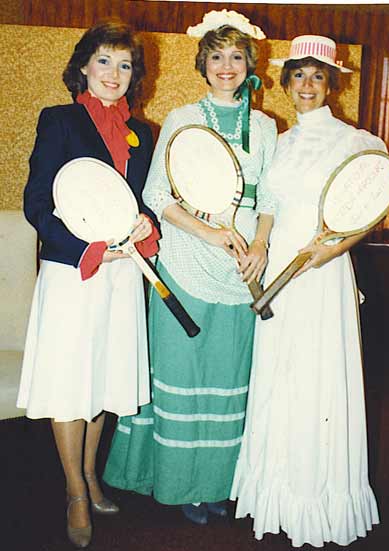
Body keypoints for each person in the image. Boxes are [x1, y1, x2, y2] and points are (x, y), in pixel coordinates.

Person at [103, 9, 277, 525]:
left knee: (229, 375)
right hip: (186, 260)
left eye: (237, 57)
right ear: (204, 63)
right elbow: (158, 195)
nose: (227, 66)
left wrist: (260, 247)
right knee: (183, 373)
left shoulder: (267, 126)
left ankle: (218, 485)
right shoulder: (181, 119)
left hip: (241, 269)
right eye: (217, 56)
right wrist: (211, 233)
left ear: (250, 64)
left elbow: (270, 198)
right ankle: (180, 486)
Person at [231, 34, 384, 547]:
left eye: (318, 76)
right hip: (281, 277)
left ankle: (317, 503)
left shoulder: (354, 141)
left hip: (322, 273)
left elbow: (372, 205)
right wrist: (257, 250)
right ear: (286, 81)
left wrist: (336, 249)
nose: (307, 85)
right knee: (282, 377)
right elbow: (268, 208)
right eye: (298, 74)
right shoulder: (281, 141)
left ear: (331, 84)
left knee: (319, 378)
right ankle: (275, 495)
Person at [16, 20, 159, 548]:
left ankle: (92, 473)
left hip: (121, 275)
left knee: (102, 377)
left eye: (125, 65)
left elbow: (134, 203)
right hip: (75, 273)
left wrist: (145, 225)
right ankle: (76, 489)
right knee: (71, 382)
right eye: (104, 61)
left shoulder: (142, 132)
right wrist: (87, 250)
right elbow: (38, 203)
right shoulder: (58, 121)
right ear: (82, 66)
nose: (114, 74)